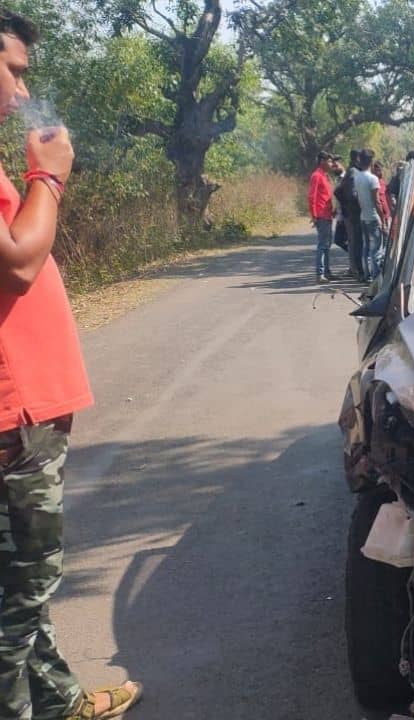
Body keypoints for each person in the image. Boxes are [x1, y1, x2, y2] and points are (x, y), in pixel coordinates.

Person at [0, 10, 143, 720]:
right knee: (20, 591)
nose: (20, 93)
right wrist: (47, 178)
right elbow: (20, 260)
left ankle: (58, 703)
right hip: (14, 415)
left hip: (28, 408)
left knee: (19, 581)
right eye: (12, 70)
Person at [352, 150, 387, 279]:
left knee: (366, 248)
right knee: (376, 251)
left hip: (363, 217)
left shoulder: (357, 177)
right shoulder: (373, 179)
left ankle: (366, 275)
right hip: (373, 217)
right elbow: (377, 202)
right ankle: (376, 277)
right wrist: (382, 221)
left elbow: (359, 198)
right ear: (371, 162)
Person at [335, 149, 365, 280]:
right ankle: (357, 271)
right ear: (357, 158)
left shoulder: (351, 171)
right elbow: (350, 194)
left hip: (350, 214)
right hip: (354, 215)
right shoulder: (353, 172)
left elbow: (338, 192)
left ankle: (355, 269)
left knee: (354, 242)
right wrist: (352, 206)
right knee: (356, 243)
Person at [308, 152, 337, 283]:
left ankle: (326, 271)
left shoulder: (325, 176)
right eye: (329, 161)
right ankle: (319, 274)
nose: (331, 164)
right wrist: (314, 215)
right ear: (322, 161)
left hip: (328, 214)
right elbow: (311, 197)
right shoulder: (316, 176)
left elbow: (327, 195)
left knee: (327, 245)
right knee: (322, 245)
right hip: (321, 215)